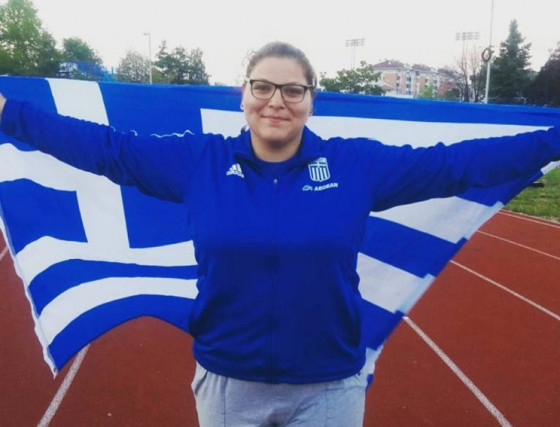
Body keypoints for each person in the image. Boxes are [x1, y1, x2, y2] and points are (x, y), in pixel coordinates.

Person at [1, 41, 559, 426]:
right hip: (228, 383)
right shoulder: (199, 162)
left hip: (328, 388)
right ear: (242, 94)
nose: (276, 102)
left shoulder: (354, 166)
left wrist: (551, 140)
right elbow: (108, 150)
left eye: (293, 90)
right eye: (263, 87)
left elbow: (454, 165)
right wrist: (8, 113)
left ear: (311, 99)